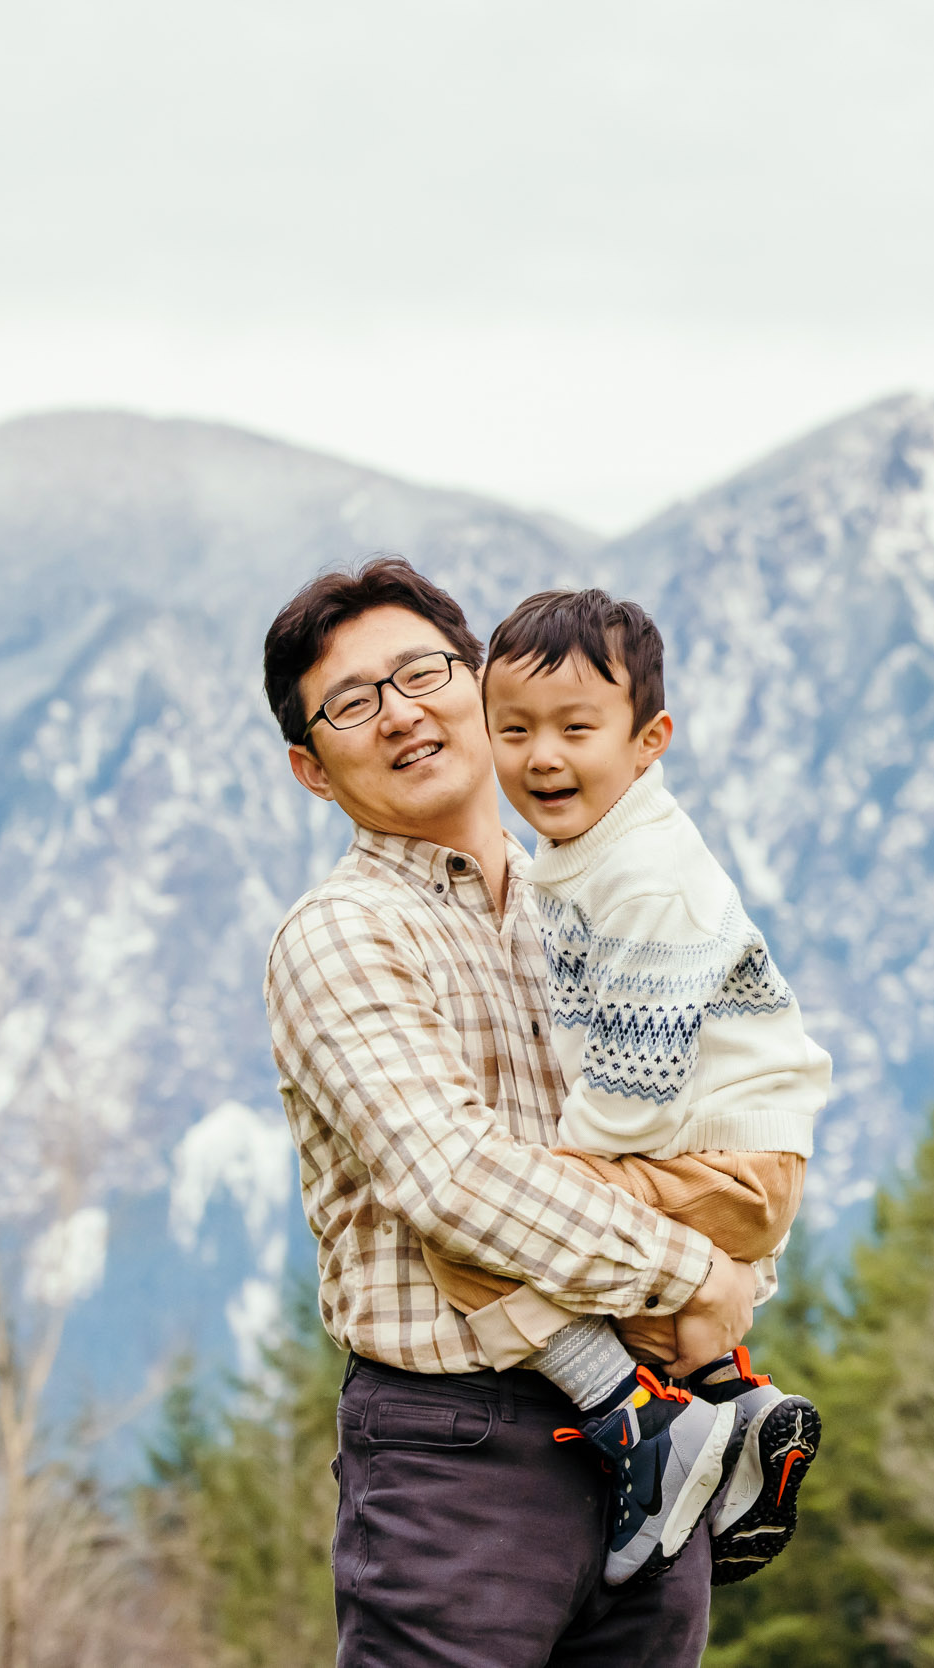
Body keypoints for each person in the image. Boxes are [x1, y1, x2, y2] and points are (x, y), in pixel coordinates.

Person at [260, 557, 757, 1668]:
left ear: (479, 686)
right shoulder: (343, 936)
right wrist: (692, 1278)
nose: (400, 713)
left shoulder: (590, 904)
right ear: (311, 766)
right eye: (352, 703)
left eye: (422, 672)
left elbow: (715, 1106)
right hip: (458, 1458)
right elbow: (452, 1176)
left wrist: (736, 1275)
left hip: (656, 1441)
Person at [419, 588, 827, 1590]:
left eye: (575, 729)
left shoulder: (644, 879)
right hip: (720, 1156)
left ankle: (638, 1420)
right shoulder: (588, 851)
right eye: (511, 729)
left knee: (477, 1225)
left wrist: (545, 1182)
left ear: (649, 739)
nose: (541, 757)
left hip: (714, 1157)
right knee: (586, 1260)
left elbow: (633, 1092)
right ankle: (727, 1403)